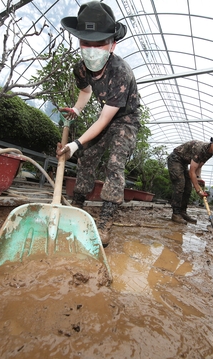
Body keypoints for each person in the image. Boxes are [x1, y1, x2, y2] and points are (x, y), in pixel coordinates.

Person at [57, 1, 140, 246]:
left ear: (113, 44)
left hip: (125, 121)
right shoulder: (81, 69)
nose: (92, 49)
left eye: (99, 43)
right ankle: (78, 204)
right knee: (88, 156)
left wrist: (74, 145)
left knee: (114, 163)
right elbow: (85, 92)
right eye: (86, 42)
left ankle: (105, 220)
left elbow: (105, 119)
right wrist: (76, 109)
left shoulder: (120, 72)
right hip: (106, 118)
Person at [167, 137, 213, 224]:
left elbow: (199, 166)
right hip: (175, 159)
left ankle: (182, 212)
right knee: (180, 183)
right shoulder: (200, 148)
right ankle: (176, 213)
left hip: (184, 163)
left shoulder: (209, 153)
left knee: (188, 188)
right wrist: (198, 190)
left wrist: (199, 178)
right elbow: (192, 172)